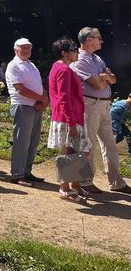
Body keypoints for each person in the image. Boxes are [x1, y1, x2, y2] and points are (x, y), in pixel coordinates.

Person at [70, 27, 131, 194]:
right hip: (89, 105)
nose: (101, 41)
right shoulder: (79, 60)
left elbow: (113, 79)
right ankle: (85, 181)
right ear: (89, 40)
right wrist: (104, 78)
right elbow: (97, 84)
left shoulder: (97, 59)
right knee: (88, 143)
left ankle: (116, 182)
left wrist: (103, 78)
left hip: (104, 105)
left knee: (110, 144)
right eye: (99, 38)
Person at [47, 37, 92, 203]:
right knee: (70, 152)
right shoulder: (64, 70)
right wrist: (71, 122)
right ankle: (64, 188)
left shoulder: (60, 68)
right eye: (73, 50)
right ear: (64, 53)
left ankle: (73, 184)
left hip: (71, 116)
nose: (76, 52)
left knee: (82, 150)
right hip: (68, 117)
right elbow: (64, 97)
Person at [5, 38, 49, 187]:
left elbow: (39, 84)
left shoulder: (31, 65)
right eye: (23, 48)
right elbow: (20, 89)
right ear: (15, 49)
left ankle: (26, 172)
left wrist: (43, 99)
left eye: (29, 47)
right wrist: (42, 99)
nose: (27, 50)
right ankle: (17, 174)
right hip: (23, 106)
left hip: (35, 107)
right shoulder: (13, 65)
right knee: (22, 142)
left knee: (33, 142)